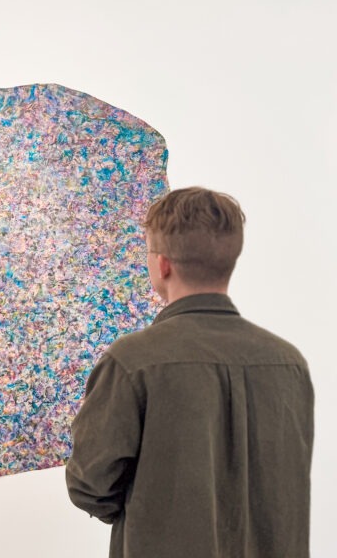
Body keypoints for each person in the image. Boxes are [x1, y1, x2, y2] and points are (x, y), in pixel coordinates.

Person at [65, 187, 314, 558]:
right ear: (229, 259)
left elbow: (90, 485)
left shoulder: (133, 361)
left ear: (163, 264)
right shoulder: (289, 364)